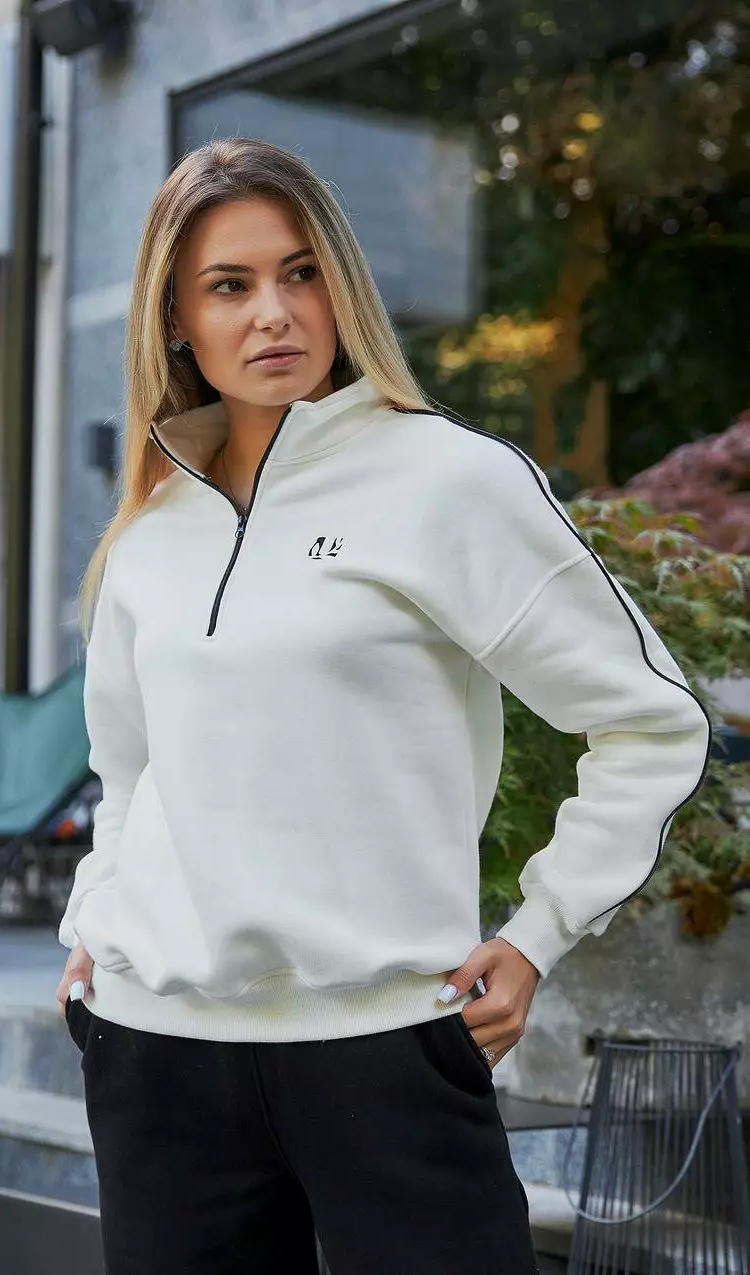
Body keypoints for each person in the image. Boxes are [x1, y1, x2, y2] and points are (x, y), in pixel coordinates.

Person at [56, 137, 710, 1275]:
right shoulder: (148, 534)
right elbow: (130, 772)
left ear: (341, 288)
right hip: (156, 1055)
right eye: (230, 285)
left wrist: (538, 931)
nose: (274, 312)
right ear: (177, 322)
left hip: (387, 1052)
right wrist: (90, 923)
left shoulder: (448, 481)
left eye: (301, 273)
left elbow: (650, 722)